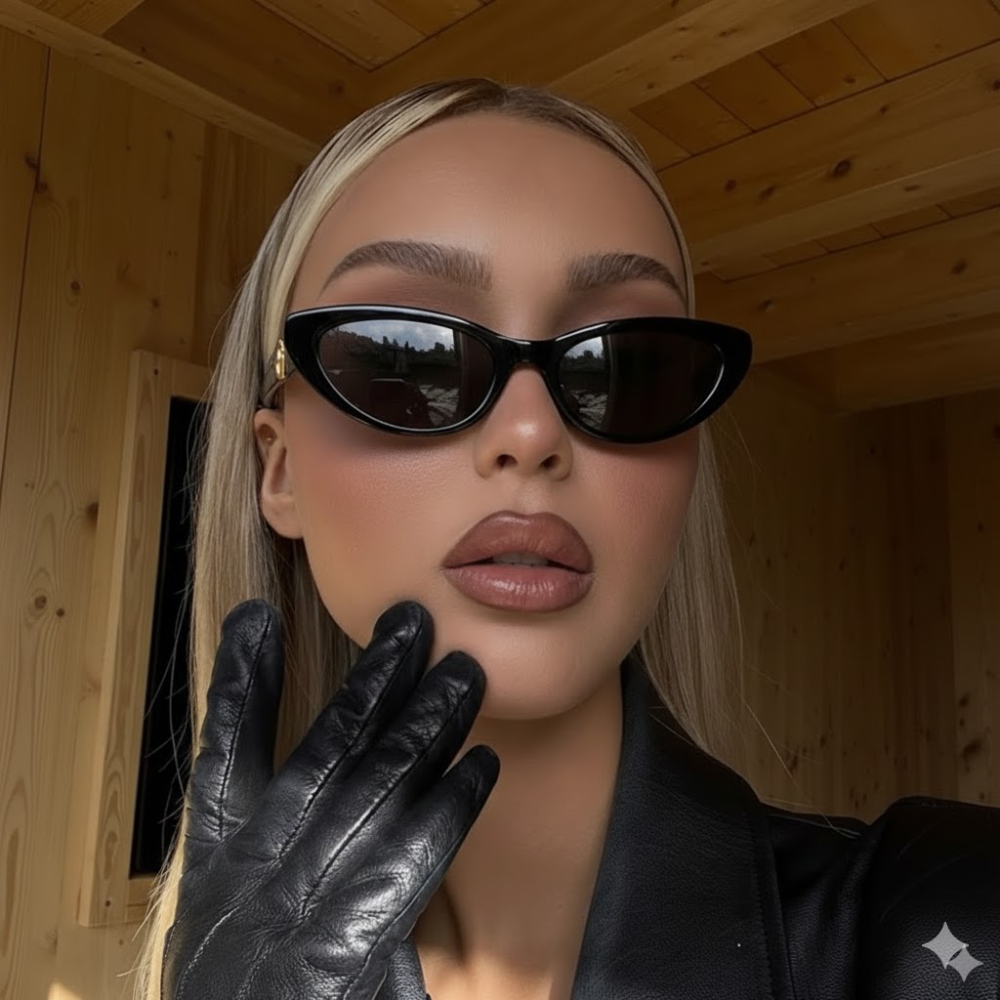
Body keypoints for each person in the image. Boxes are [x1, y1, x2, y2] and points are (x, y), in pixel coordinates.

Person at [135, 79, 1000, 1000]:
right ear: (278, 471)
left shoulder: (949, 924)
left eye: (624, 364)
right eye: (403, 354)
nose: (531, 431)